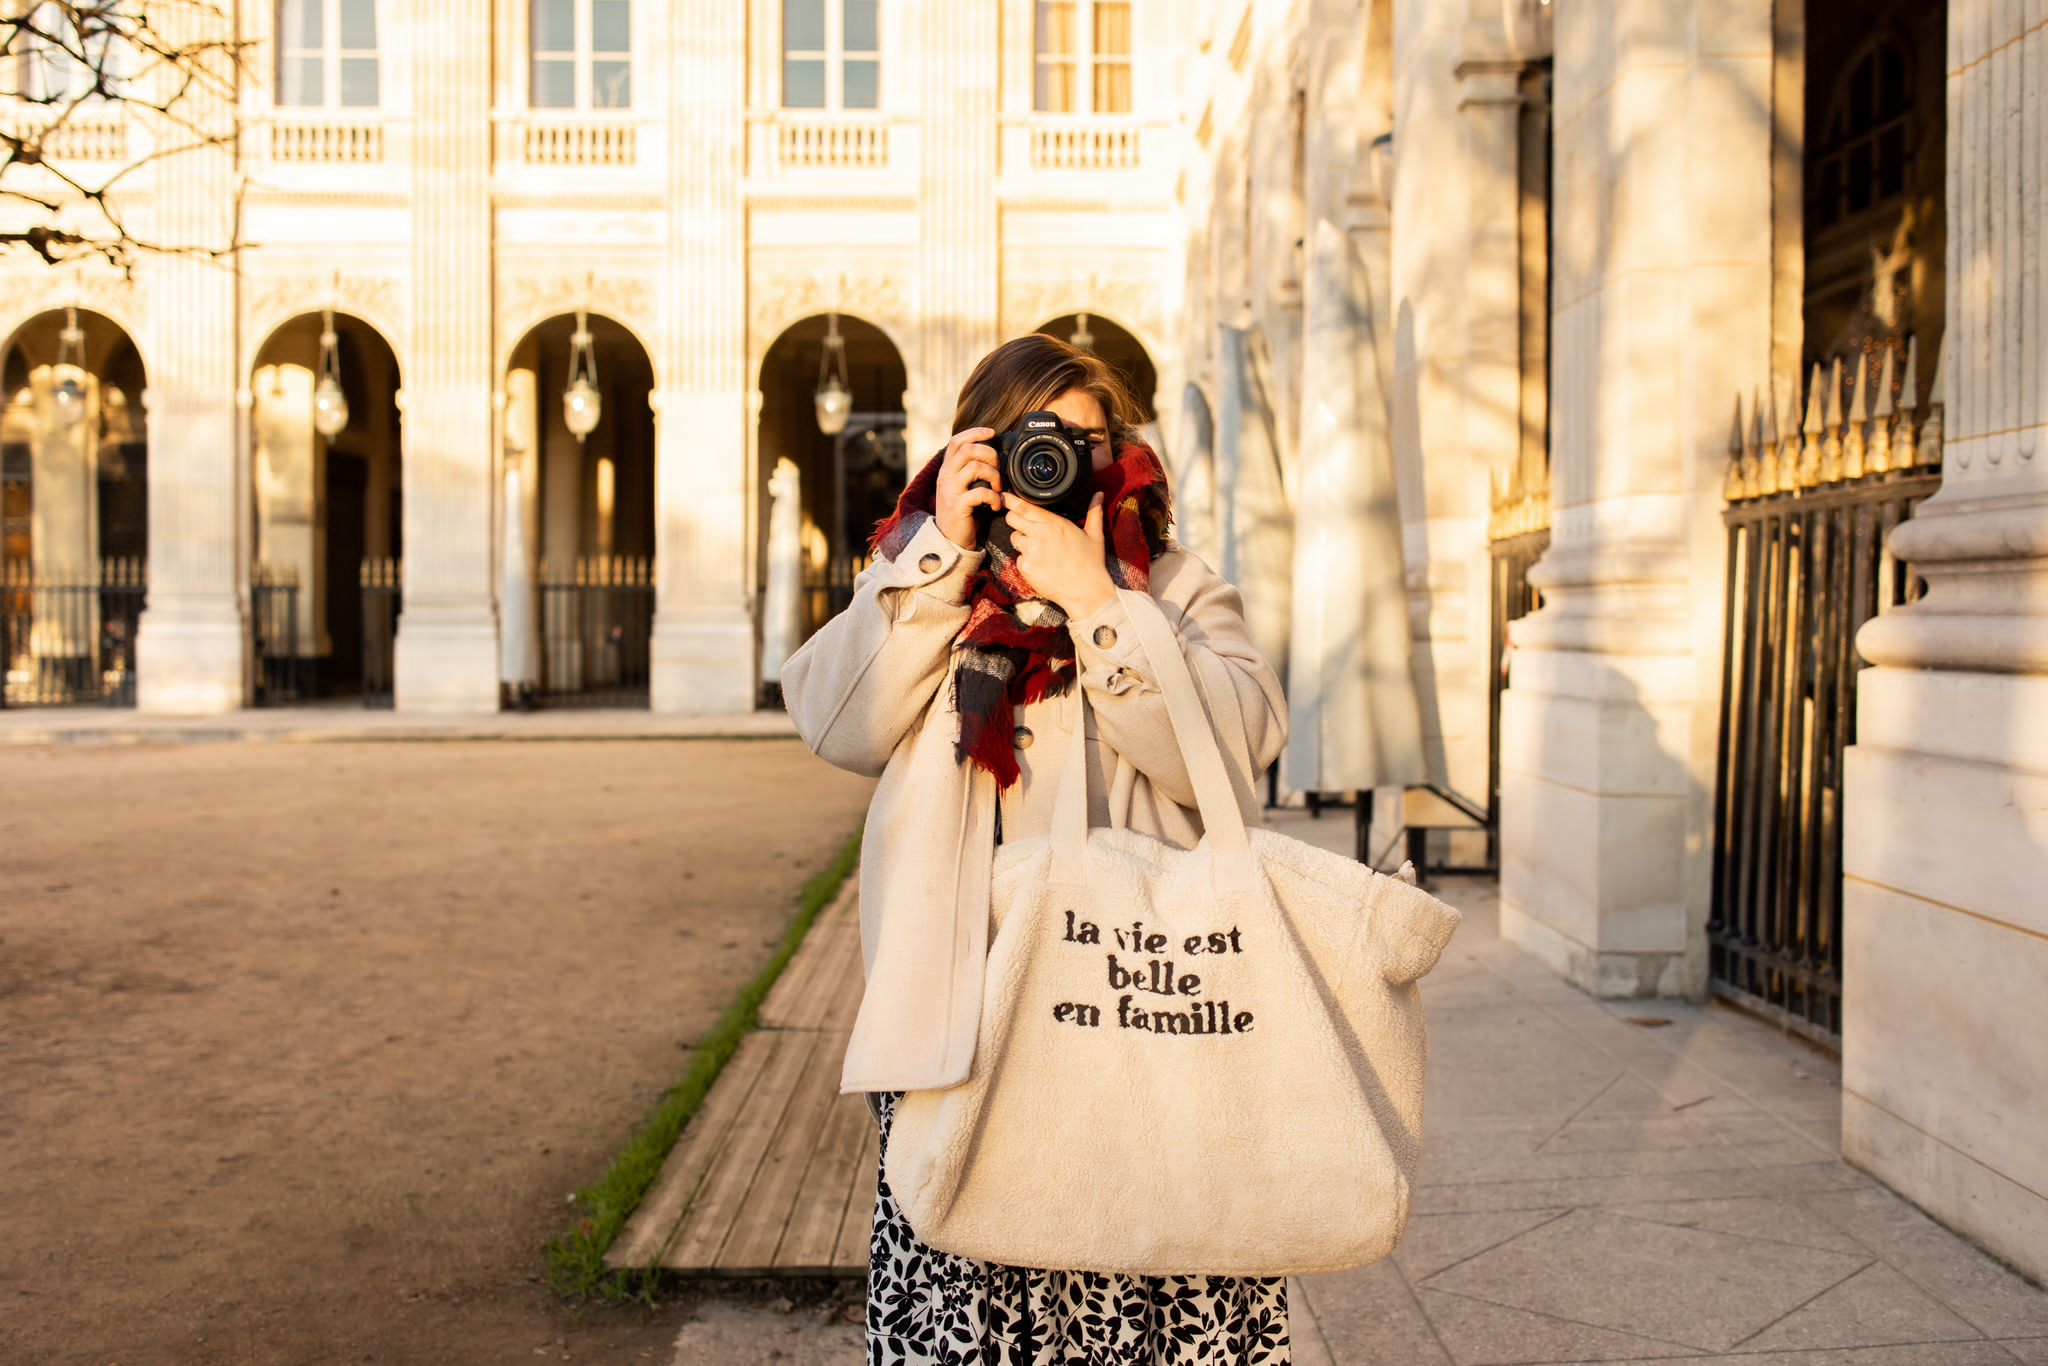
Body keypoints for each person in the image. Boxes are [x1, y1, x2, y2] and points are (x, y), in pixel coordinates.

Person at [780, 333, 1291, 1365]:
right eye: (1024, 440)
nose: (1053, 461)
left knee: (1146, 1313)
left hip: (1144, 1021)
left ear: (1119, 460)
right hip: (962, 1035)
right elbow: (837, 724)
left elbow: (1235, 755)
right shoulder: (930, 586)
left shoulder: (1177, 590)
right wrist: (935, 562)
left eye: (1082, 441)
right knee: (972, 1322)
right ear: (976, 450)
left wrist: (1102, 606)